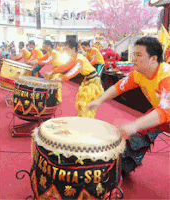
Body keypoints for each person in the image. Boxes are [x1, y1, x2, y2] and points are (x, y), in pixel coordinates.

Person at [88, 36, 170, 175]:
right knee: (143, 129)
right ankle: (123, 166)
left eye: (139, 55)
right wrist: (100, 100)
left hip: (165, 111)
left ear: (153, 58)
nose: (134, 58)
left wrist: (134, 125)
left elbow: (164, 110)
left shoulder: (166, 76)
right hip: (162, 113)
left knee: (142, 124)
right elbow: (119, 87)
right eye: (134, 54)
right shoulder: (138, 73)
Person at [46, 38, 104, 118]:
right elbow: (66, 66)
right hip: (87, 81)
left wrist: (62, 78)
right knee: (81, 102)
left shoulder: (80, 58)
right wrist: (52, 72)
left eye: (67, 49)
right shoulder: (75, 58)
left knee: (85, 104)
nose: (65, 51)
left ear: (73, 49)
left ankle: (85, 122)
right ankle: (82, 120)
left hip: (93, 82)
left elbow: (75, 70)